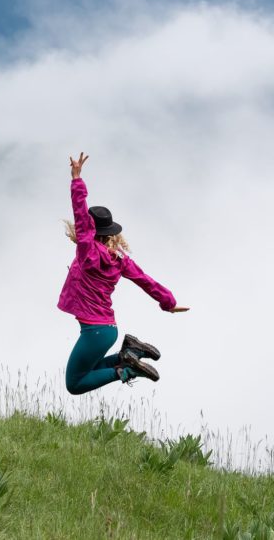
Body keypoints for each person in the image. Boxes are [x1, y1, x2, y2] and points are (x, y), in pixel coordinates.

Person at [59, 152, 188, 394]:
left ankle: (127, 369)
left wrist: (77, 178)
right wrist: (168, 302)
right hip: (107, 329)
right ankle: (130, 353)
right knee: (93, 368)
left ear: (89, 230)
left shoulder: (88, 252)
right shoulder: (119, 259)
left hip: (95, 331)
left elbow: (80, 213)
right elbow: (146, 280)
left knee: (74, 384)